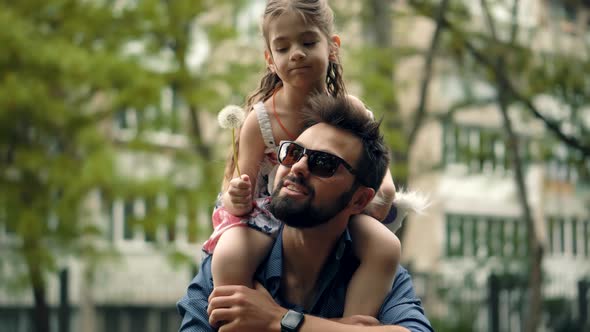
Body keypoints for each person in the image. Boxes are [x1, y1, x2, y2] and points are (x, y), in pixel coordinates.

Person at [202, 0, 401, 318]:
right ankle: (238, 319)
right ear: (270, 59)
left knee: (386, 246)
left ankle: (353, 323)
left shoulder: (351, 110)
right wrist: (237, 197)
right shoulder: (261, 120)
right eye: (282, 48)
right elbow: (240, 192)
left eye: (308, 42)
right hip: (270, 210)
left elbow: (382, 184)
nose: (296, 53)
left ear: (333, 47)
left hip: (334, 209)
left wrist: (374, 198)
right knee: (228, 255)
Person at [177, 94, 433, 331]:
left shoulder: (378, 271)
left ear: (359, 199)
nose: (297, 167)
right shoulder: (228, 267)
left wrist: (279, 320)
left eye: (324, 163)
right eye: (292, 152)